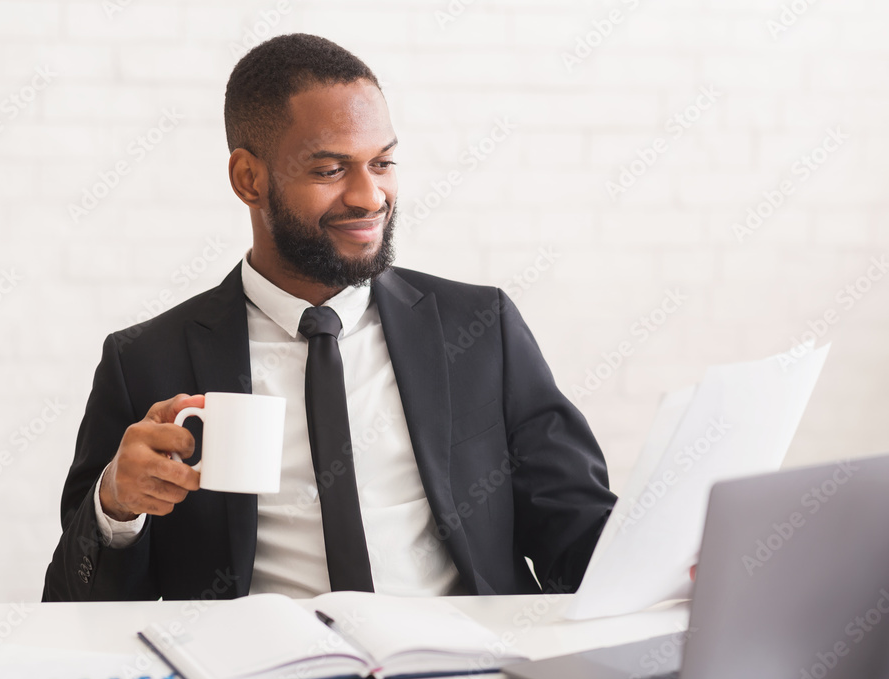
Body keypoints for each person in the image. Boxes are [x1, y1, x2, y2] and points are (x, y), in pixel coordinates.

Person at [42, 33, 616, 602]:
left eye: (383, 162)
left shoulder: (480, 327)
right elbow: (73, 608)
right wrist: (116, 506)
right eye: (330, 170)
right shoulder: (145, 361)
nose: (370, 196)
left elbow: (579, 531)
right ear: (249, 179)